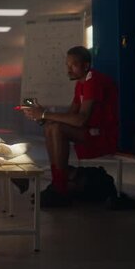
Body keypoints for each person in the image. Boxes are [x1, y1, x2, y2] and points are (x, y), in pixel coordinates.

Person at [21, 46, 119, 207]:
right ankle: (57, 183)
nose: (68, 69)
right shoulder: (81, 84)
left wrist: (45, 114)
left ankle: (61, 190)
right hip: (89, 132)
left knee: (58, 129)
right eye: (67, 65)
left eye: (73, 65)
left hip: (104, 135)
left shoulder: (93, 81)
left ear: (86, 66)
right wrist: (41, 117)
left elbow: (80, 120)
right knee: (51, 127)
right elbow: (69, 116)